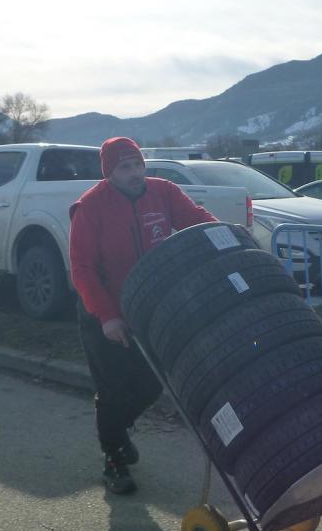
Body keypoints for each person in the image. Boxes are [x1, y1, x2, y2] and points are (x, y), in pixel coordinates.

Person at [69, 137, 217, 494]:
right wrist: (107, 316)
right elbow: (82, 268)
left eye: (138, 164)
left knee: (153, 381)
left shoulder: (163, 192)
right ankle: (114, 458)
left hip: (149, 309)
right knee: (112, 387)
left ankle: (116, 428)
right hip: (103, 311)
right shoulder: (90, 207)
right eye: (125, 167)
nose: (135, 172)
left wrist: (223, 234)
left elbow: (197, 221)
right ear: (110, 172)